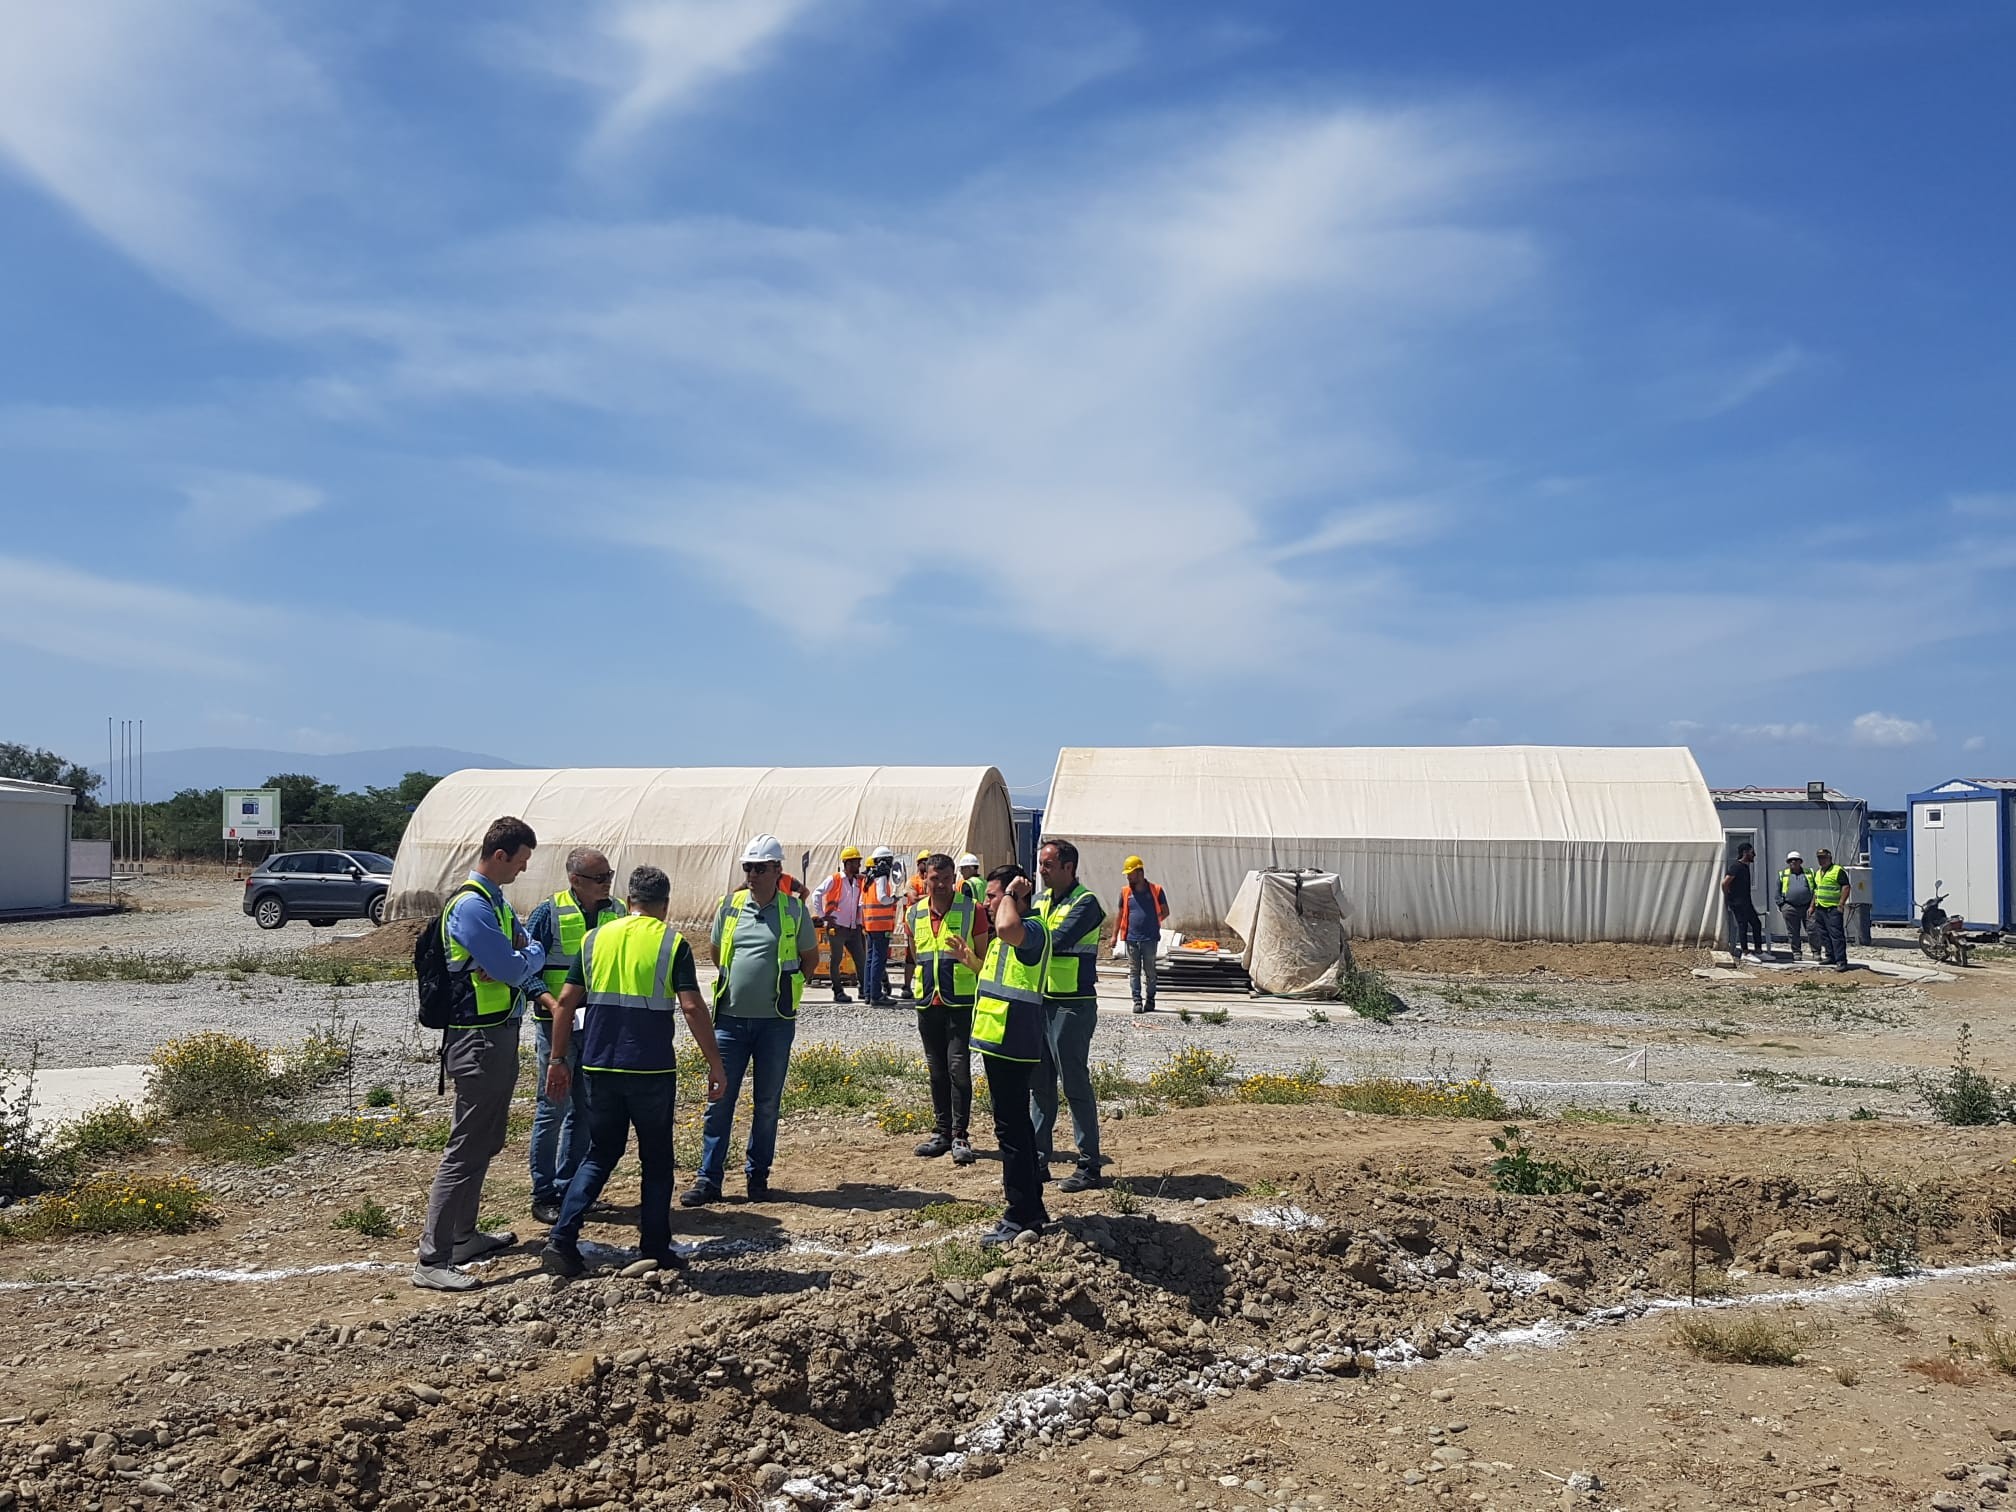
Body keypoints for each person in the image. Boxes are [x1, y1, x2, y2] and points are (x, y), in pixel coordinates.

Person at [538, 865, 726, 1277]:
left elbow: (565, 1002)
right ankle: (655, 1247)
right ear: (665, 905)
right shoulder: (670, 943)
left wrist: (557, 1059)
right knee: (656, 1159)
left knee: (600, 1153)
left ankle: (562, 1239)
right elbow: (692, 1007)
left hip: (598, 1064)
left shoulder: (594, 939)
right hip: (650, 1069)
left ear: (628, 900)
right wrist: (715, 1063)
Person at [413, 815, 546, 1292]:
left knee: (486, 1140)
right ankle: (432, 1258)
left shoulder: (496, 903)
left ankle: (463, 1236)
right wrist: (522, 958)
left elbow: (521, 953)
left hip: (497, 1034)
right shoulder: (472, 907)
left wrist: (520, 956)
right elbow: (514, 964)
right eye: (521, 861)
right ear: (500, 855)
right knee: (466, 1146)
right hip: (478, 1039)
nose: (523, 870)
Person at [683, 835, 821, 1206]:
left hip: (775, 1022)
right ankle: (708, 1179)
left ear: (778, 870)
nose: (753, 875)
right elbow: (717, 954)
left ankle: (757, 1177)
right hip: (730, 1021)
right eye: (748, 867)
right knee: (719, 1101)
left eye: (760, 868)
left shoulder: (794, 910)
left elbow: (810, 958)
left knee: (767, 1103)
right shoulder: (729, 907)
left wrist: (792, 987)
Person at [945, 864, 1050, 1246]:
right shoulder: (1009, 935)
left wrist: (1010, 895)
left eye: (992, 896)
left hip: (1013, 1041)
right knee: (1016, 1126)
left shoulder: (1030, 929)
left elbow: (1007, 927)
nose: (987, 903)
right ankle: (1032, 1206)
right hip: (1001, 1040)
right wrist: (970, 960)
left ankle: (1020, 1214)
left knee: (1012, 1131)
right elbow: (998, 977)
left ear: (1015, 895)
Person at [523, 848, 626, 1223]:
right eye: (599, 878)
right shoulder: (548, 913)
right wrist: (553, 1005)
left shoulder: (617, 912)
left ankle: (572, 1187)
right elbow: (526, 970)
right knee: (553, 1106)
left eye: (609, 876)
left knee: (586, 1108)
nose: (607, 883)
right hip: (557, 1024)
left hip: (598, 1025)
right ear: (575, 880)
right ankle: (544, 1192)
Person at [1032, 838, 1107, 1192]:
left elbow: (1053, 939)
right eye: (1041, 864)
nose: (1042, 871)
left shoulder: (1086, 903)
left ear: (1068, 867)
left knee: (1074, 1085)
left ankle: (1089, 1165)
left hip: (1072, 1004)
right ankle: (1037, 1160)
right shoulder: (1041, 901)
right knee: (1039, 1086)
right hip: (1042, 1001)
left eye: (1048, 865)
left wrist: (1027, 932)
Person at [907, 853, 987, 1166]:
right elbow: (917, 956)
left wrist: (969, 959)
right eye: (934, 879)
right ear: (924, 879)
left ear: (955, 879)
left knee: (958, 1069)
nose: (940, 885)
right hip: (928, 1002)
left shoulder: (972, 910)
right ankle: (941, 1132)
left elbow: (984, 962)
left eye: (945, 879)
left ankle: (959, 1134)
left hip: (960, 1003)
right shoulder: (914, 913)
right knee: (936, 1070)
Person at [1115, 855, 1170, 1014]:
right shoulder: (1125, 892)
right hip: (1131, 939)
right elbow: (1120, 914)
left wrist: (1153, 922)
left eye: (1130, 874)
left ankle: (1150, 999)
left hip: (1150, 939)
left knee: (1150, 971)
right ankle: (1137, 1001)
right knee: (1134, 971)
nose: (1128, 877)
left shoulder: (1156, 890)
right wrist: (1114, 935)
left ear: (1140, 872)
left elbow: (1165, 911)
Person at [815, 846, 869, 1004]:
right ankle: (838, 991)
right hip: (837, 928)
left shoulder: (858, 881)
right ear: (847, 863)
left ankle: (864, 990)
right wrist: (822, 915)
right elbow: (817, 894)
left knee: (861, 959)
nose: (859, 865)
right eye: (856, 862)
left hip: (853, 928)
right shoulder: (835, 879)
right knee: (836, 959)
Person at [861, 845, 902, 1006]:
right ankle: (876, 995)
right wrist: (894, 899)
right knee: (878, 959)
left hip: (870, 924)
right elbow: (882, 898)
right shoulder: (881, 876)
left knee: (870, 959)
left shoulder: (868, 878)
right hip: (881, 924)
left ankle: (868, 993)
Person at [1809, 846, 1853, 972]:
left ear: (1829, 858)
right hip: (1820, 908)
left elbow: (1846, 887)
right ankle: (1830, 956)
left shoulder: (1837, 870)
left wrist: (1841, 904)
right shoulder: (1818, 873)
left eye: (1824, 858)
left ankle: (1841, 961)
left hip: (1833, 908)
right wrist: (1812, 906)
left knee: (1836, 935)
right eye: (1819, 858)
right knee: (1823, 934)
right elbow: (1816, 890)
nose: (1821, 860)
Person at [1721, 843, 1763, 966]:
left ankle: (1758, 950)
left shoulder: (1745, 867)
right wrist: (1729, 897)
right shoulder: (1736, 866)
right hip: (1738, 903)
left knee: (1756, 923)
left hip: (1746, 901)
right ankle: (1745, 952)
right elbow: (1725, 883)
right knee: (1742, 925)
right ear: (1745, 852)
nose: (1754, 855)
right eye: (1752, 852)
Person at [898, 850, 931, 1001]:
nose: (927, 864)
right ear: (919, 864)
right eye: (925, 861)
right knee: (910, 955)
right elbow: (913, 898)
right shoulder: (912, 881)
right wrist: (931, 896)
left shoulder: (932, 880)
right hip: (914, 922)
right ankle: (906, 986)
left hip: (929, 922)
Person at [1776, 851, 1817, 961]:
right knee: (1793, 931)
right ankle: (1796, 952)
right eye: (1790, 860)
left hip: (1808, 906)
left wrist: (1813, 905)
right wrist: (1782, 905)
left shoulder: (1809, 873)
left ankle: (1816, 952)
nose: (1793, 862)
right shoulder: (1783, 874)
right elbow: (1777, 891)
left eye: (1795, 860)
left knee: (1812, 929)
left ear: (1800, 862)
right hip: (1790, 906)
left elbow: (1816, 889)